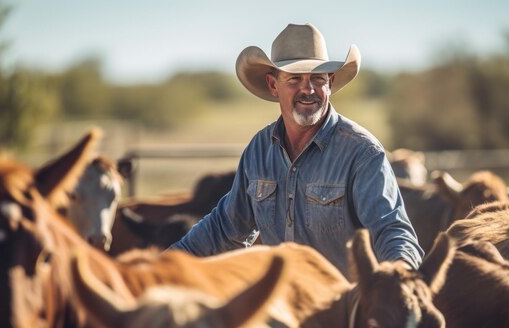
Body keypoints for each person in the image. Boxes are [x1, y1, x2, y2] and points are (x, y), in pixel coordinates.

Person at [170, 23, 423, 274]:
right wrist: (164, 265)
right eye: (294, 78)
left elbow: (392, 230)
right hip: (283, 306)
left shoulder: (362, 152)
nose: (308, 89)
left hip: (342, 308)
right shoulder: (259, 149)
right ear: (273, 85)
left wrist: (400, 272)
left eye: (317, 78)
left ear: (330, 83)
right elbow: (224, 228)